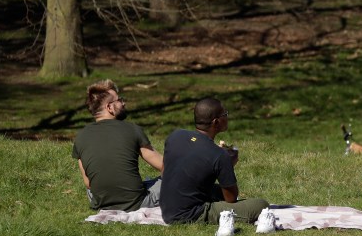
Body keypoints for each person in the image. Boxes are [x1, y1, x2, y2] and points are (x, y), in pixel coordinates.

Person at [160, 97, 269, 225]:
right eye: (225, 114)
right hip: (188, 215)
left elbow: (164, 173)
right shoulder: (219, 155)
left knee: (216, 190)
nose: (227, 117)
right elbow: (231, 198)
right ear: (216, 122)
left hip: (166, 207)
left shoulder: (175, 135)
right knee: (261, 205)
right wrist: (228, 164)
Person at [72, 79, 163, 211]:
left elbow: (88, 183)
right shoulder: (132, 129)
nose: (123, 103)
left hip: (100, 202)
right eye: (119, 100)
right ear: (110, 107)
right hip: (136, 203)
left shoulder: (80, 137)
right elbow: (164, 166)